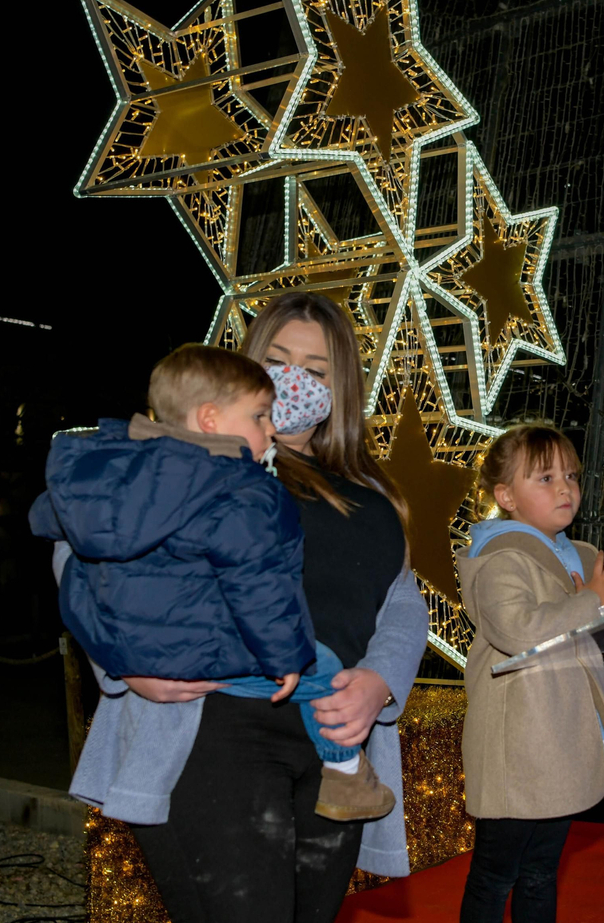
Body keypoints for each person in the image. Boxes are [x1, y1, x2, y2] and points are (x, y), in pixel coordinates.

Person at [44, 293, 428, 923]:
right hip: (211, 733)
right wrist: (127, 667)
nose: (295, 380)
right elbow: (79, 551)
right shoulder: (187, 457)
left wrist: (379, 682)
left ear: (343, 385)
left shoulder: (370, 493)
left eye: (317, 366)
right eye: (278, 361)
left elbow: (400, 603)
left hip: (330, 743)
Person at [33, 344, 392, 824]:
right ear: (209, 419)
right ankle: (346, 775)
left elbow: (55, 532)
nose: (272, 426)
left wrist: (116, 653)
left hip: (132, 651)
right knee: (321, 665)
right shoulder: (242, 488)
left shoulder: (113, 468)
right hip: (202, 654)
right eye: (261, 415)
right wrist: (286, 653)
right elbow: (257, 583)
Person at [454, 423, 604, 923]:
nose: (565, 487)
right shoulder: (500, 556)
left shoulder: (580, 555)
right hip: (518, 741)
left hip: (562, 739)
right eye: (545, 477)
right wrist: (594, 597)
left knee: (541, 871)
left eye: (570, 475)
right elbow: (516, 630)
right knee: (497, 872)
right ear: (506, 495)